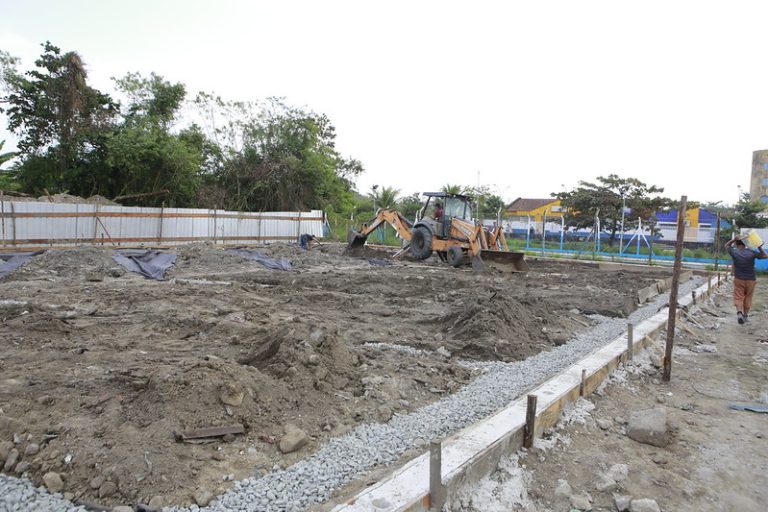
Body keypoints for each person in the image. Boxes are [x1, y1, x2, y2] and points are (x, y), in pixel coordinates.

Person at [724, 236, 767, 324]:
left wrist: (733, 239)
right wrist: (759, 247)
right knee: (748, 297)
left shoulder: (734, 252)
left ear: (736, 244)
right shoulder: (751, 252)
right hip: (751, 279)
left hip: (739, 278)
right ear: (746, 244)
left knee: (738, 296)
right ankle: (745, 316)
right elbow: (765, 256)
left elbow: (726, 246)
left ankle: (739, 312)